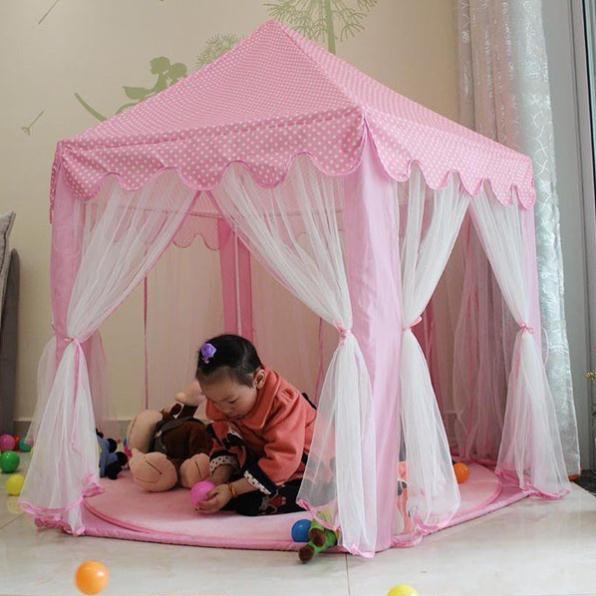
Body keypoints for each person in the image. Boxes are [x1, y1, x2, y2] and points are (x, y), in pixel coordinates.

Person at [195, 334, 316, 516]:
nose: (223, 409)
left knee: (251, 502)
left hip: (306, 470)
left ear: (258, 379)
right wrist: (218, 480)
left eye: (231, 401)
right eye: (213, 401)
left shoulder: (284, 403)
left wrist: (233, 489)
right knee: (228, 491)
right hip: (263, 459)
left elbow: (284, 459)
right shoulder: (224, 405)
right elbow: (225, 443)